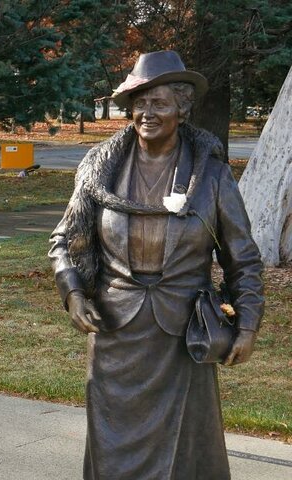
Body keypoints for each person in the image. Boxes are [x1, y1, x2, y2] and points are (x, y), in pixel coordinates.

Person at [48, 50, 264, 479]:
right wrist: (73, 294)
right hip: (115, 330)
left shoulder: (212, 177)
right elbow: (62, 240)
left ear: (182, 110)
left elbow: (242, 257)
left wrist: (248, 324)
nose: (147, 112)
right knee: (112, 447)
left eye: (159, 103)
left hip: (184, 333)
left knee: (184, 454)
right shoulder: (100, 171)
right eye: (139, 103)